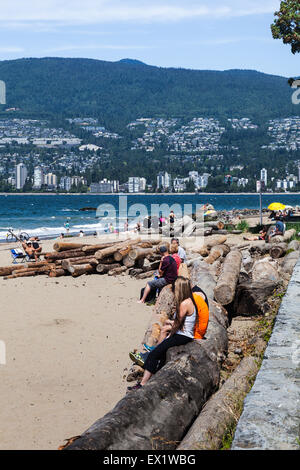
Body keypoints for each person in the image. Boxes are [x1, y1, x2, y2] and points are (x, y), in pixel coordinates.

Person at [128, 277, 198, 391]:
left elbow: (177, 325)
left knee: (154, 354)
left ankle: (143, 384)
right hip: (185, 333)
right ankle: (151, 367)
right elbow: (181, 322)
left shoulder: (184, 304)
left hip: (183, 336)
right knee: (160, 350)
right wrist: (170, 324)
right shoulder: (189, 301)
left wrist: (170, 335)